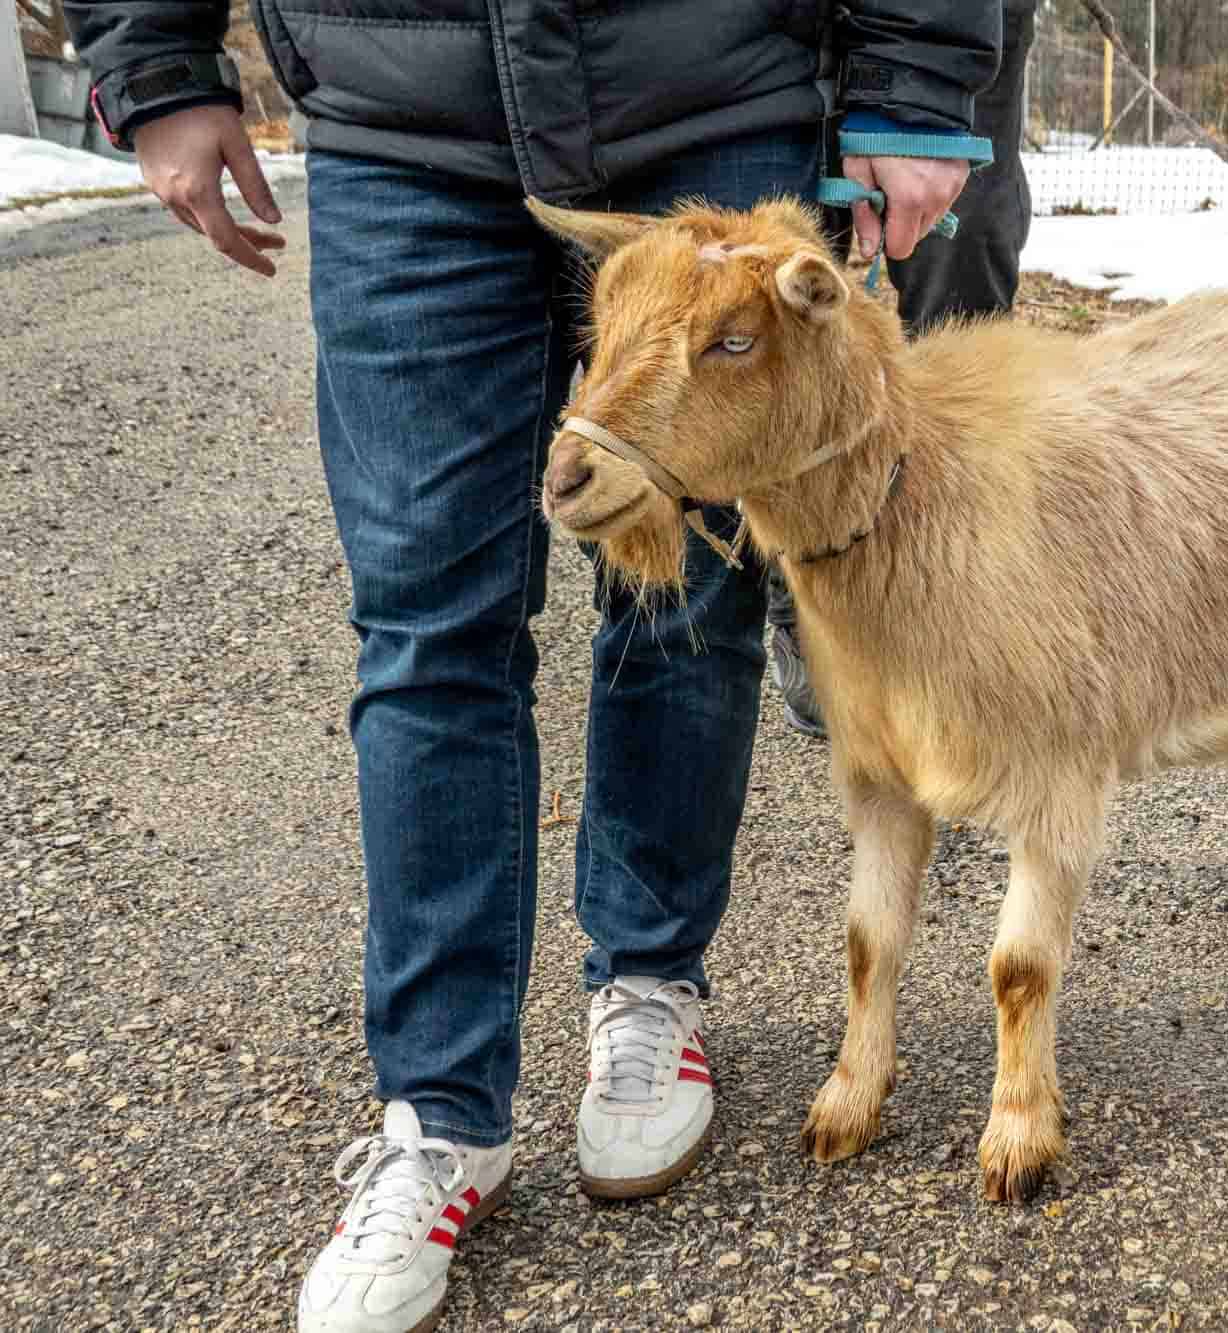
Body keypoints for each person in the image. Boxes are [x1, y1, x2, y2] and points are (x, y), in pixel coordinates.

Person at [58, 2, 1000, 1330]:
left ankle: (650, 981)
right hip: (401, 120)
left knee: (686, 590)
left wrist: (914, 77)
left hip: (709, 86)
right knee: (429, 615)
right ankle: (440, 1116)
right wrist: (152, 63)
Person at [765, 0, 1039, 740]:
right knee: (772, 279)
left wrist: (922, 90)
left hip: (960, 21)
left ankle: (962, 599)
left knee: (962, 266)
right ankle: (801, 590)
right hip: (755, 33)